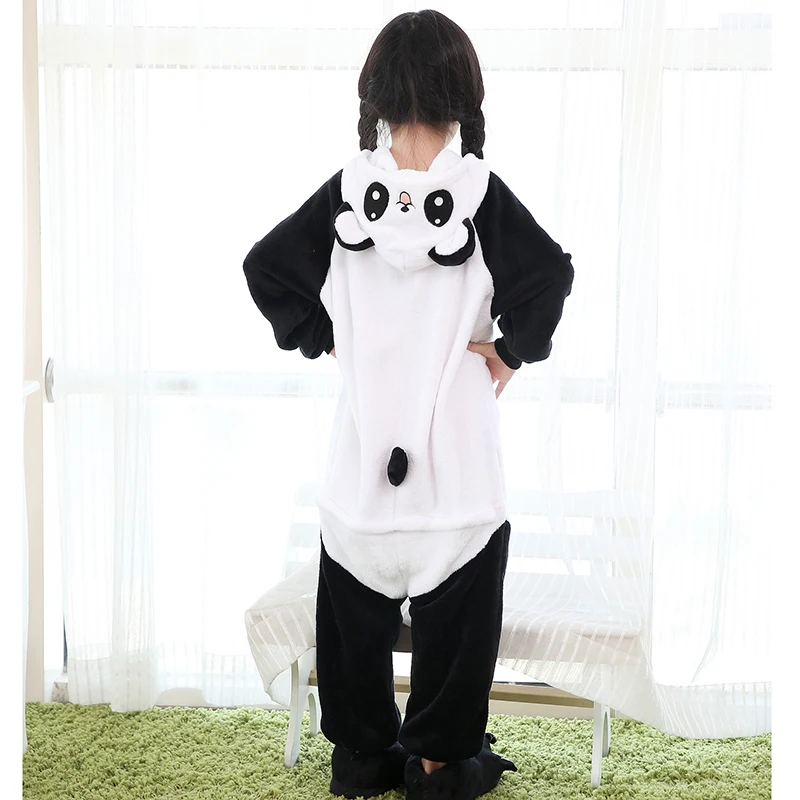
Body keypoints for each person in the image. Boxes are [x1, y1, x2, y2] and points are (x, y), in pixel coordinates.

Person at [243, 10, 574, 800]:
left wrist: (326, 336)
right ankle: (436, 764)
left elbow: (266, 269)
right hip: (456, 475)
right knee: (459, 625)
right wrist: (510, 351)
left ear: (378, 94)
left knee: (351, 618)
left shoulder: (345, 197)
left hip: (361, 474)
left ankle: (362, 757)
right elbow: (549, 279)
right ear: (463, 92)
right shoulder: (479, 197)